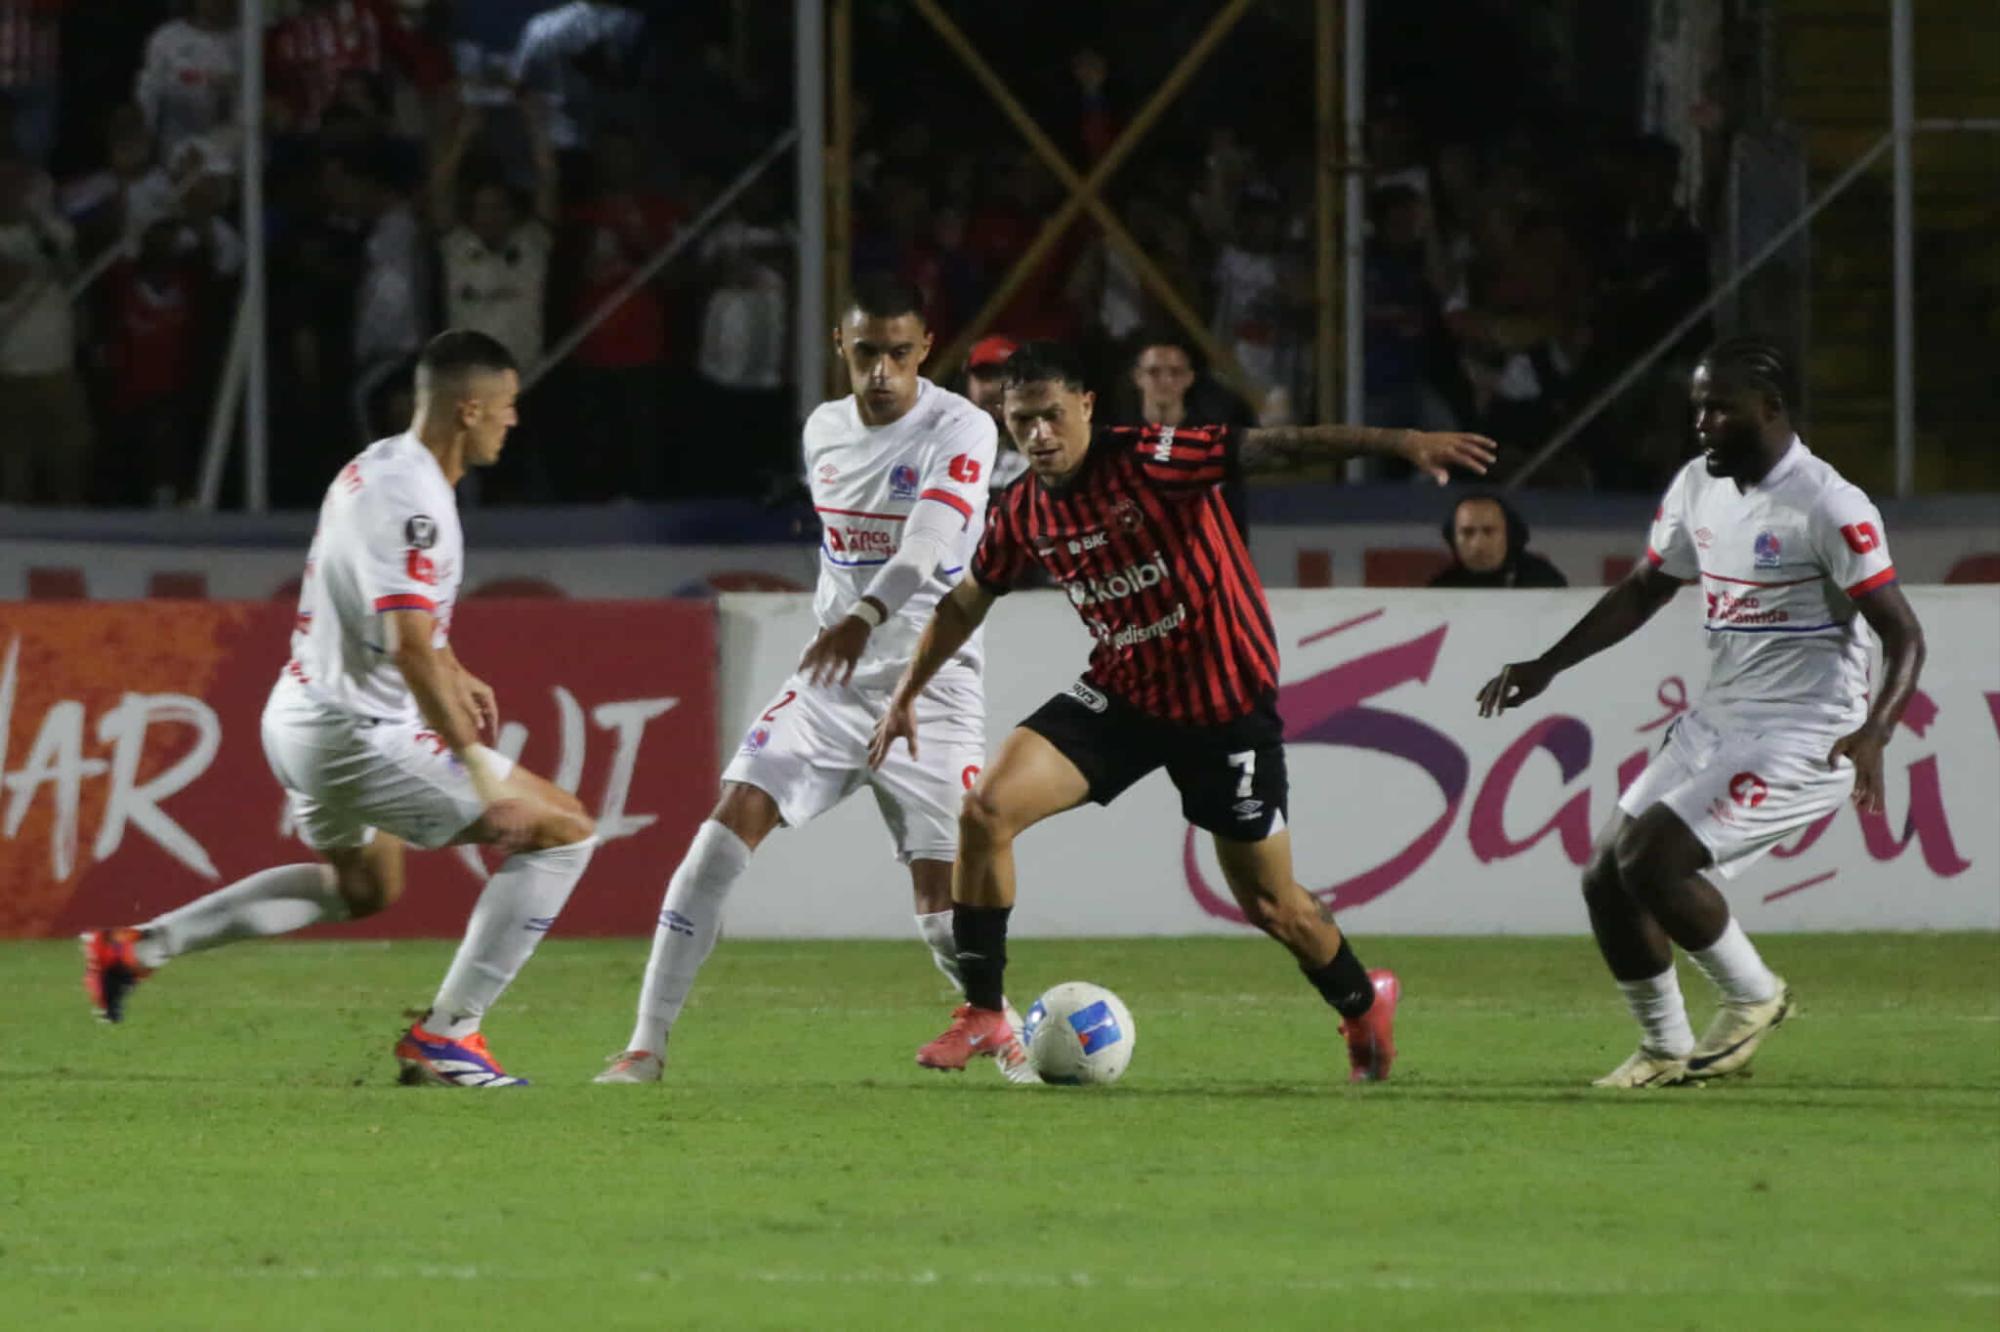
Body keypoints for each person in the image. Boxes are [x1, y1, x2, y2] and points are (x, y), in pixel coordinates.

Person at [870, 341, 1497, 1083]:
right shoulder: (1023, 511)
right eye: (1020, 422)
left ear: (1087, 408)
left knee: (1274, 907)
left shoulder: (1151, 459)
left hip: (1224, 708)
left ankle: (1364, 1001)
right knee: (985, 811)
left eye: (1051, 417)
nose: (1038, 436)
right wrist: (906, 693)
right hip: (1125, 694)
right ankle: (981, 1012)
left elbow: (1280, 446)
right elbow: (967, 598)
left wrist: (1400, 443)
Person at [80, 330, 600, 1089]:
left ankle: (136, 948)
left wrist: (451, 659)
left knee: (365, 889)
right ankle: (448, 1038)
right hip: (356, 733)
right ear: (470, 408)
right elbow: (410, 648)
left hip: (302, 710)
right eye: (509, 408)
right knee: (563, 833)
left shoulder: (380, 466)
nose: (513, 423)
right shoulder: (414, 503)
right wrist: (481, 779)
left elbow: (383, 612)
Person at [595, 276, 1029, 1085]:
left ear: (924, 349)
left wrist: (863, 615)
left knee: (943, 912)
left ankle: (1004, 1031)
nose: (882, 373)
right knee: (715, 844)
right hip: (832, 686)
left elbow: (930, 544)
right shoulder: (823, 429)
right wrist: (851, 629)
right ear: (842, 347)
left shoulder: (961, 425)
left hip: (930, 685)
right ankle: (644, 1048)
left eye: (899, 355)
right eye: (866, 353)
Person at [1475, 337, 1926, 1089]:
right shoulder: (1696, 487)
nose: (1704, 422)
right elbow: (1644, 590)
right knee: (1603, 877)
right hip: (1720, 722)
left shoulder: (1829, 503)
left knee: (1653, 859)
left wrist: (1877, 730)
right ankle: (1665, 1048)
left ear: (1770, 409)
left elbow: (1904, 633)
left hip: (1805, 732)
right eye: (1697, 408)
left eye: (1720, 407)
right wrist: (1546, 665)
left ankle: (1754, 995)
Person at [1429, 492, 1567, 589]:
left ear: (1510, 534)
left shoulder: (1544, 581)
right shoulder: (1442, 588)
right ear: (1452, 539)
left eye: (1489, 531)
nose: (1478, 544)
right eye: (1467, 533)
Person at [962, 333, 1027, 491]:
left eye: (1004, 376)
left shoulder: (1044, 437)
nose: (992, 388)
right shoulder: (945, 437)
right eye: (983, 376)